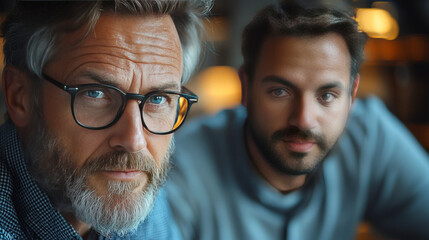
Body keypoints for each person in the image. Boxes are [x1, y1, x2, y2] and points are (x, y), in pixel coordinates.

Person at [165, 2, 429, 240]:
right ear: (245, 88)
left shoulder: (370, 136)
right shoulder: (184, 165)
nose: (303, 120)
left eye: (326, 95)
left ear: (352, 95)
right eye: (280, 91)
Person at [0, 0, 211, 239]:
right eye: (95, 93)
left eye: (159, 99)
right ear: (20, 96)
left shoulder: (135, 189)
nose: (134, 142)